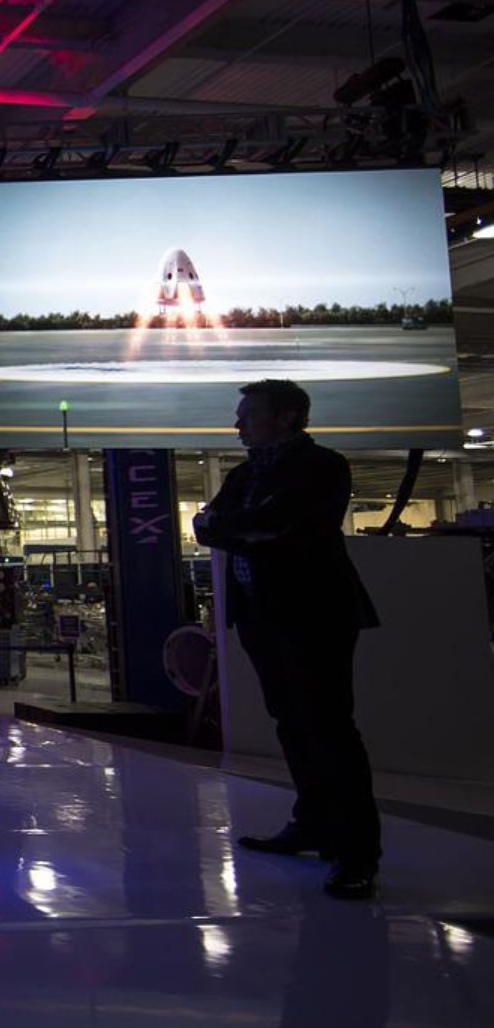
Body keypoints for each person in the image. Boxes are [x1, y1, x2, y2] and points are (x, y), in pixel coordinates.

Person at [192, 379, 381, 899]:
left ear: (288, 416)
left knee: (328, 727)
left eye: (249, 415)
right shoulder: (246, 473)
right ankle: (313, 822)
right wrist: (238, 526)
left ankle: (357, 852)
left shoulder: (322, 466)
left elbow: (280, 524)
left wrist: (236, 526)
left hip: (314, 614)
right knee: (292, 723)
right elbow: (210, 526)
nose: (238, 425)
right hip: (260, 616)